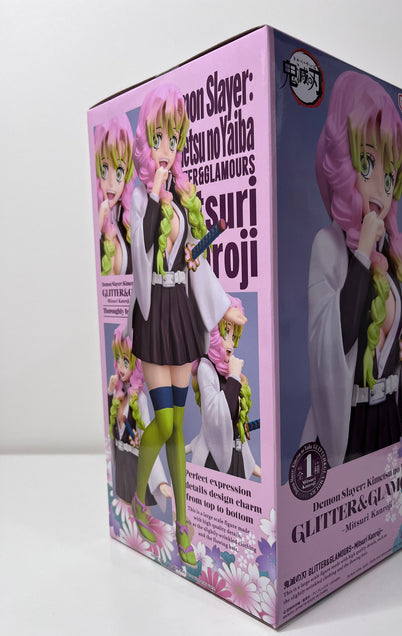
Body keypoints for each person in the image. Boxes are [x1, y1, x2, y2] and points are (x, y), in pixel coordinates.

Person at [128, 83, 246, 564]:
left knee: (177, 427)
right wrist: (157, 194)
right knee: (166, 421)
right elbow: (141, 256)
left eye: (173, 139)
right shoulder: (141, 198)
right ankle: (139, 500)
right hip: (154, 314)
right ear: (146, 140)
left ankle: (181, 523)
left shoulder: (178, 199)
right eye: (159, 137)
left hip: (179, 315)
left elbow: (193, 262)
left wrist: (222, 306)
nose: (166, 148)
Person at [301, 71, 402, 468]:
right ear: (343, 165)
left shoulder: (389, 253)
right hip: (352, 427)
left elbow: (401, 350)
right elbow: (329, 342)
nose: (380, 189)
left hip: (391, 418)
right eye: (367, 163)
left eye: (389, 178)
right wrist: (360, 253)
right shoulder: (329, 245)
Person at [190, 296, 260, 480]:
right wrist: (235, 376)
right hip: (216, 463)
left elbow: (234, 426)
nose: (230, 344)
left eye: (233, 336)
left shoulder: (223, 372)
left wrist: (251, 464)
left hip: (234, 458)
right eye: (225, 334)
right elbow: (217, 417)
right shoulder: (206, 368)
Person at [108, 326, 171, 510]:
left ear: (136, 365)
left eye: (126, 361)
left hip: (136, 468)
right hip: (122, 467)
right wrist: (110, 392)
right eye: (118, 359)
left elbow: (147, 440)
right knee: (123, 512)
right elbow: (110, 428)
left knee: (142, 513)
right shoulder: (118, 394)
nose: (120, 367)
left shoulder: (139, 398)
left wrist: (160, 481)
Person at [94, 116, 135, 276]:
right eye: (104, 170)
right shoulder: (91, 218)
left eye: (119, 172)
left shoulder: (128, 223)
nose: (111, 182)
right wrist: (98, 224)